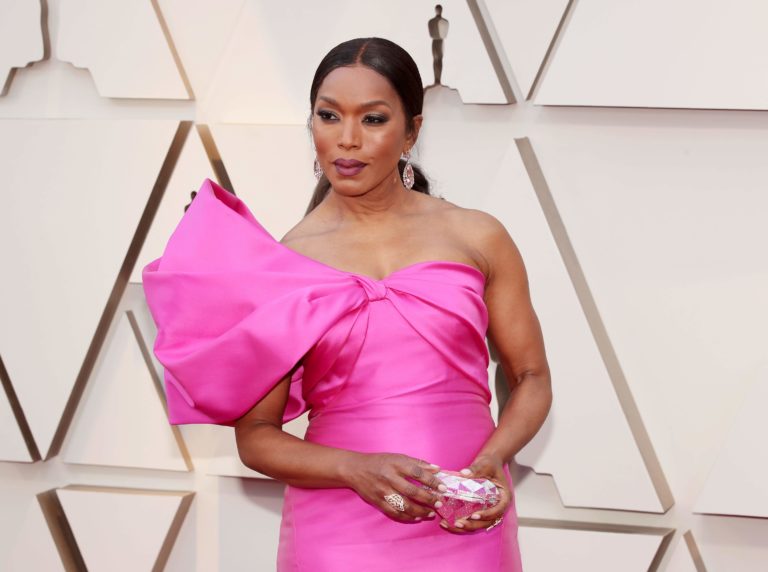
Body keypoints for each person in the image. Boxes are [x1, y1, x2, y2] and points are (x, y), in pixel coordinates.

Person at [142, 37, 551, 571]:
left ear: (412, 130)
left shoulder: (479, 235)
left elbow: (531, 376)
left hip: (465, 518)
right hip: (338, 529)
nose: (347, 140)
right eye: (329, 116)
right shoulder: (284, 262)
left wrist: (494, 459)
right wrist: (355, 469)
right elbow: (258, 439)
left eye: (374, 119)